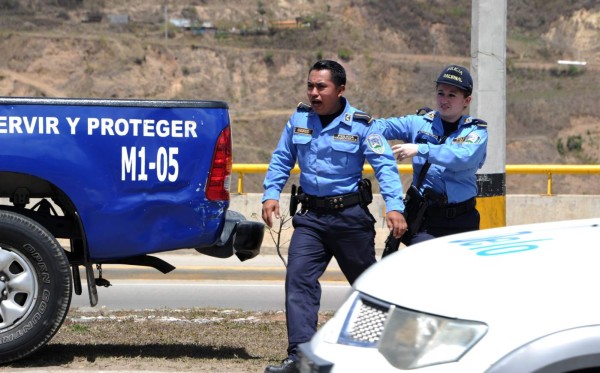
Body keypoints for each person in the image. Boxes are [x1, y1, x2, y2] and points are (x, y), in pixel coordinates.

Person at [261, 60, 407, 373]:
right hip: (311, 218)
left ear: (340, 90)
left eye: (321, 87)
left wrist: (394, 206)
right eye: (310, 86)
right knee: (298, 280)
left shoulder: (362, 124)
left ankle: (385, 351)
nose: (314, 93)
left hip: (349, 219)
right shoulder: (299, 119)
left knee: (368, 286)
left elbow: (385, 166)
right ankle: (299, 357)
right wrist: (271, 193)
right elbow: (281, 159)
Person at [376, 64, 488, 247]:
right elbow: (381, 127)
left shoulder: (476, 131)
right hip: (426, 219)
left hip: (463, 218)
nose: (444, 99)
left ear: (466, 101)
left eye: (452, 95)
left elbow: (463, 157)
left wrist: (421, 149)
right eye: (441, 93)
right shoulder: (418, 123)